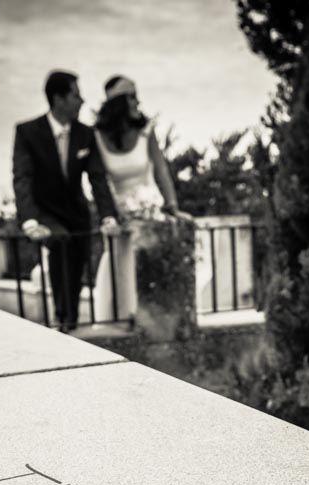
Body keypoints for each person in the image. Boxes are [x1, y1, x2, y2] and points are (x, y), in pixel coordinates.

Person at [13, 71, 118, 332]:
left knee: (77, 266)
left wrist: (108, 215)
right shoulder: (27, 132)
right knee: (59, 245)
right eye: (76, 95)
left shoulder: (86, 134)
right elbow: (22, 178)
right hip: (44, 213)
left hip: (77, 214)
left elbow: (97, 178)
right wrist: (29, 220)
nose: (81, 101)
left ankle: (67, 322)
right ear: (58, 99)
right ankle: (63, 319)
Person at [92, 75, 189, 322]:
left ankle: (156, 319)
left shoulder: (146, 131)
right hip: (119, 218)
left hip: (150, 212)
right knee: (121, 269)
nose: (138, 101)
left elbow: (160, 170)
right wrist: (110, 215)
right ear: (118, 102)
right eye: (132, 96)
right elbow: (98, 182)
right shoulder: (96, 137)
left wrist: (172, 206)